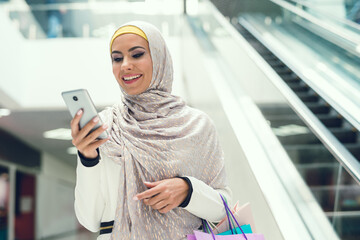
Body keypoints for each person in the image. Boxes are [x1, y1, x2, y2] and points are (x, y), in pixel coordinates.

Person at [71, 21, 232, 240]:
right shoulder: (106, 125)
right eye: (117, 58)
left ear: (159, 58)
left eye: (136, 54)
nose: (125, 65)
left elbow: (223, 208)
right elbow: (89, 219)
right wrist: (87, 158)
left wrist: (188, 191)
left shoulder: (197, 125)